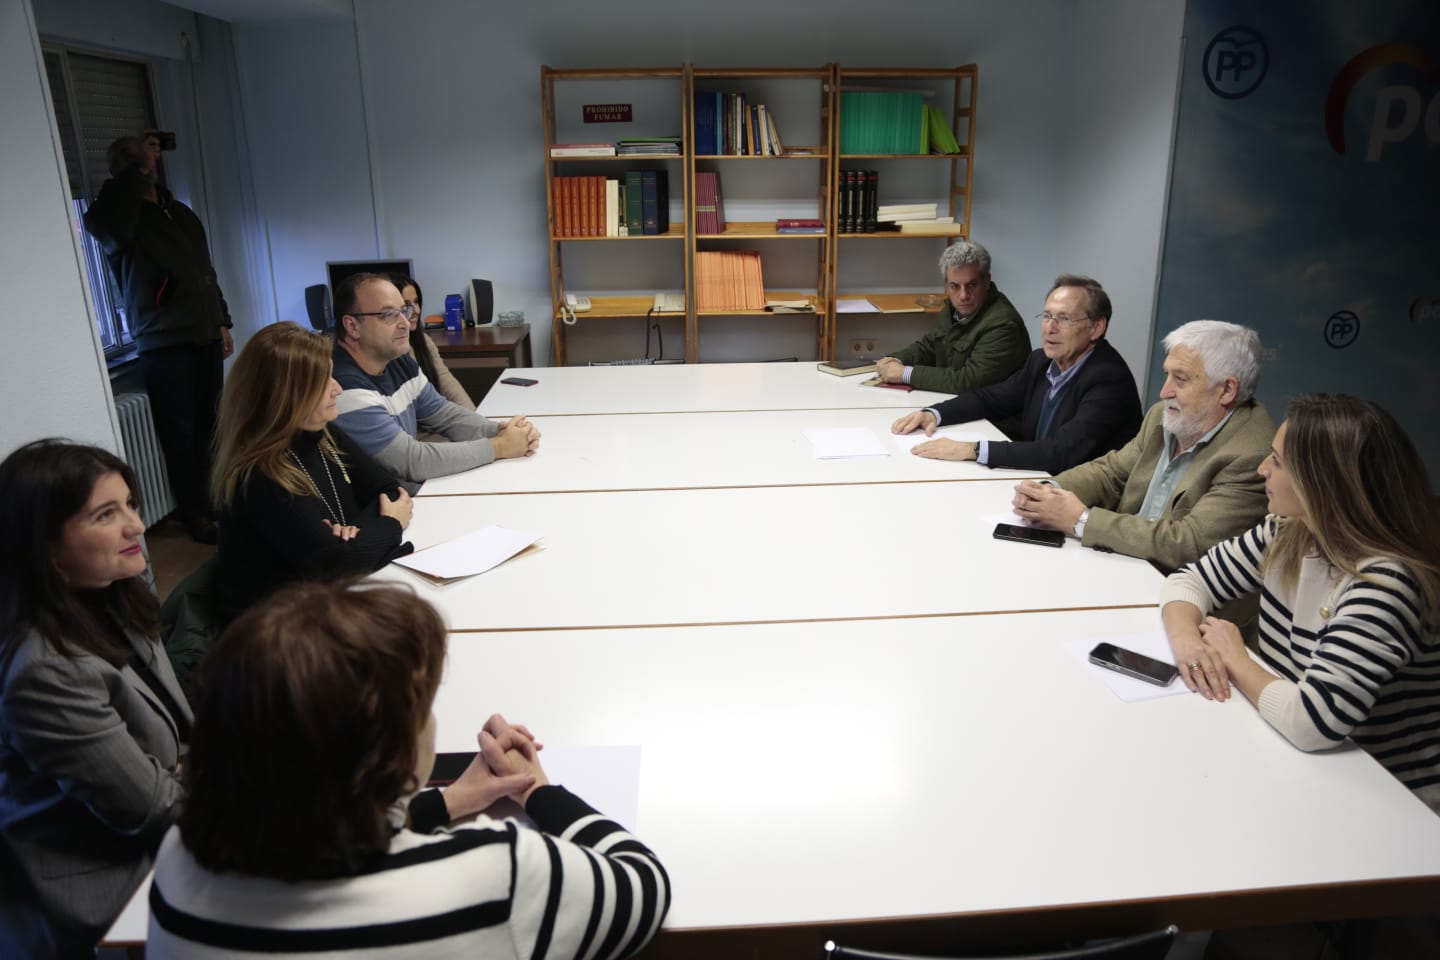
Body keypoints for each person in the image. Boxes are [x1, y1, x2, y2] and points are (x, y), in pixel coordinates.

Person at [147, 581, 671, 958]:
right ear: (384, 754)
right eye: (423, 705)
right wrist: (536, 789)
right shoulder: (492, 876)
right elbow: (643, 884)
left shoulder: (180, 859)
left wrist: (451, 801)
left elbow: (318, 830)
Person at [1160, 395, 1440, 814]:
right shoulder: (1289, 531)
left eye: (1277, 461)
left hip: (1390, 798)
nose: (1262, 470)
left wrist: (1236, 658)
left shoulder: (1384, 583)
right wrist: (1188, 642)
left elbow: (1312, 722)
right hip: (1298, 760)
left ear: (1324, 482)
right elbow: (1190, 579)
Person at [0, 440, 190, 957]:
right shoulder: (44, 670)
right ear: (42, 545)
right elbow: (153, 809)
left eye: (130, 504)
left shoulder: (117, 594)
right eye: (107, 514)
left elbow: (180, 736)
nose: (136, 525)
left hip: (163, 829)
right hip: (106, 889)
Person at [1010, 320, 1274, 569]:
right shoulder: (1164, 415)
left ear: (1227, 390)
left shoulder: (1252, 455)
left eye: (1180, 379)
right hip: (1123, 562)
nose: (1164, 392)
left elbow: (1189, 543)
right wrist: (1046, 492)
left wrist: (1081, 520)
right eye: (1167, 375)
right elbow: (1111, 472)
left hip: (1181, 597)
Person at [83, 134, 234, 545]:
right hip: (162, 341)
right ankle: (195, 514)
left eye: (146, 154)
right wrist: (136, 176)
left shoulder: (179, 213)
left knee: (211, 427)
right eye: (129, 158)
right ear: (116, 169)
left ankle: (219, 502)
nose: (143, 162)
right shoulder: (112, 216)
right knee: (179, 435)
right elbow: (110, 227)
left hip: (203, 332)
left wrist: (222, 320)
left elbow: (205, 270)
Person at [211, 322, 413, 626]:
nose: (338, 388)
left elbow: (389, 490)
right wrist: (389, 523)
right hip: (278, 634)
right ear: (286, 396)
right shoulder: (260, 477)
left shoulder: (323, 433)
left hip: (328, 603)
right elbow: (337, 565)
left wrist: (351, 537)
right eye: (324, 381)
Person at [890, 274, 1142, 474]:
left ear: (1096, 327)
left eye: (1064, 319)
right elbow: (991, 398)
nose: (1050, 328)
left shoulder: (1108, 379)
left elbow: (1060, 452)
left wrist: (973, 450)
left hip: (1080, 499)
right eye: (1047, 316)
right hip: (1034, 478)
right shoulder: (1041, 361)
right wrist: (933, 413)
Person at [331, 273, 540, 483]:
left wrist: (502, 431)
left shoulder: (398, 361)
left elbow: (445, 415)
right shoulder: (343, 387)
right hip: (391, 505)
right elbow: (411, 461)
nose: (405, 322)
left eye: (404, 311)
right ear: (352, 326)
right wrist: (500, 446)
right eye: (388, 315)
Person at [874, 240, 1030, 406]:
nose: (963, 295)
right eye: (955, 286)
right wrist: (894, 360)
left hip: (996, 422)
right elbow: (929, 347)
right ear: (947, 286)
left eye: (971, 285)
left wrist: (905, 373)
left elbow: (968, 382)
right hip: (960, 406)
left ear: (986, 281)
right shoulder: (952, 310)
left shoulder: (1003, 324)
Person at [394, 274, 476, 409]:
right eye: (407, 305)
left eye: (416, 302)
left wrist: (474, 416)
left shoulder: (423, 341)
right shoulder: (389, 352)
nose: (417, 310)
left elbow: (444, 379)